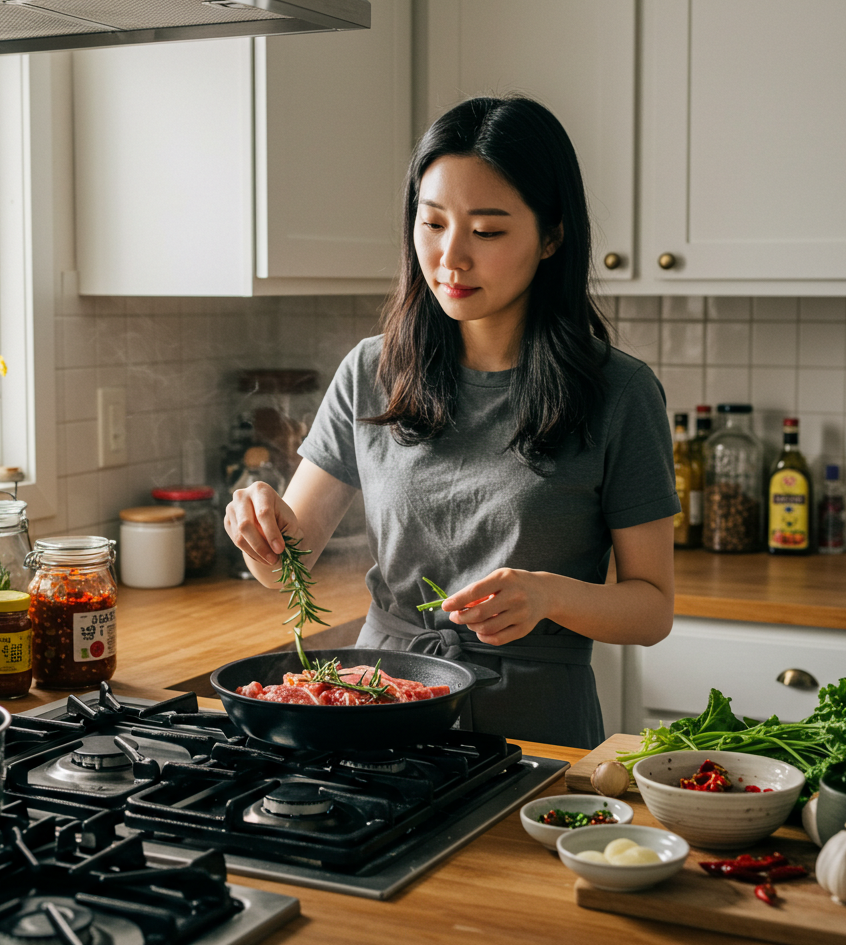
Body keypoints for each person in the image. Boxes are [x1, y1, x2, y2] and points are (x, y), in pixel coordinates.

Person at [224, 96, 677, 749]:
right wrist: (260, 528)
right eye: (432, 223)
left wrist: (548, 595)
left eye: (487, 231)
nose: (450, 258)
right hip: (381, 706)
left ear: (552, 236)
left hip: (535, 725)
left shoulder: (620, 392)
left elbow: (652, 608)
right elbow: (287, 564)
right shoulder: (371, 370)